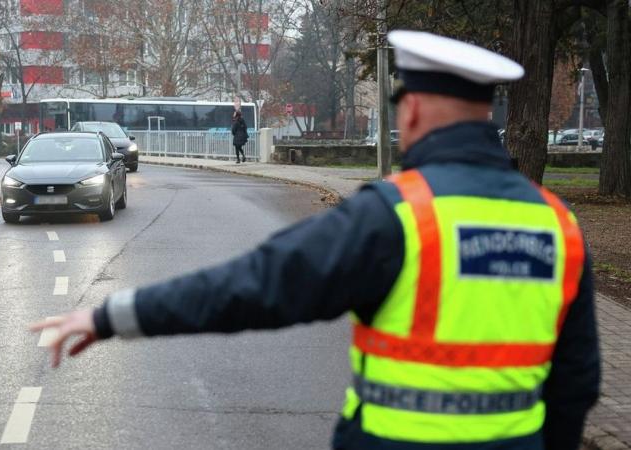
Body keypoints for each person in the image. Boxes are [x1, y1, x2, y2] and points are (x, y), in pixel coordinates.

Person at [31, 31, 599, 450]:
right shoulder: (558, 224)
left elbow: (255, 285)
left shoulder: (396, 216)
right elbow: (578, 380)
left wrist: (111, 316)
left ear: (416, 109)